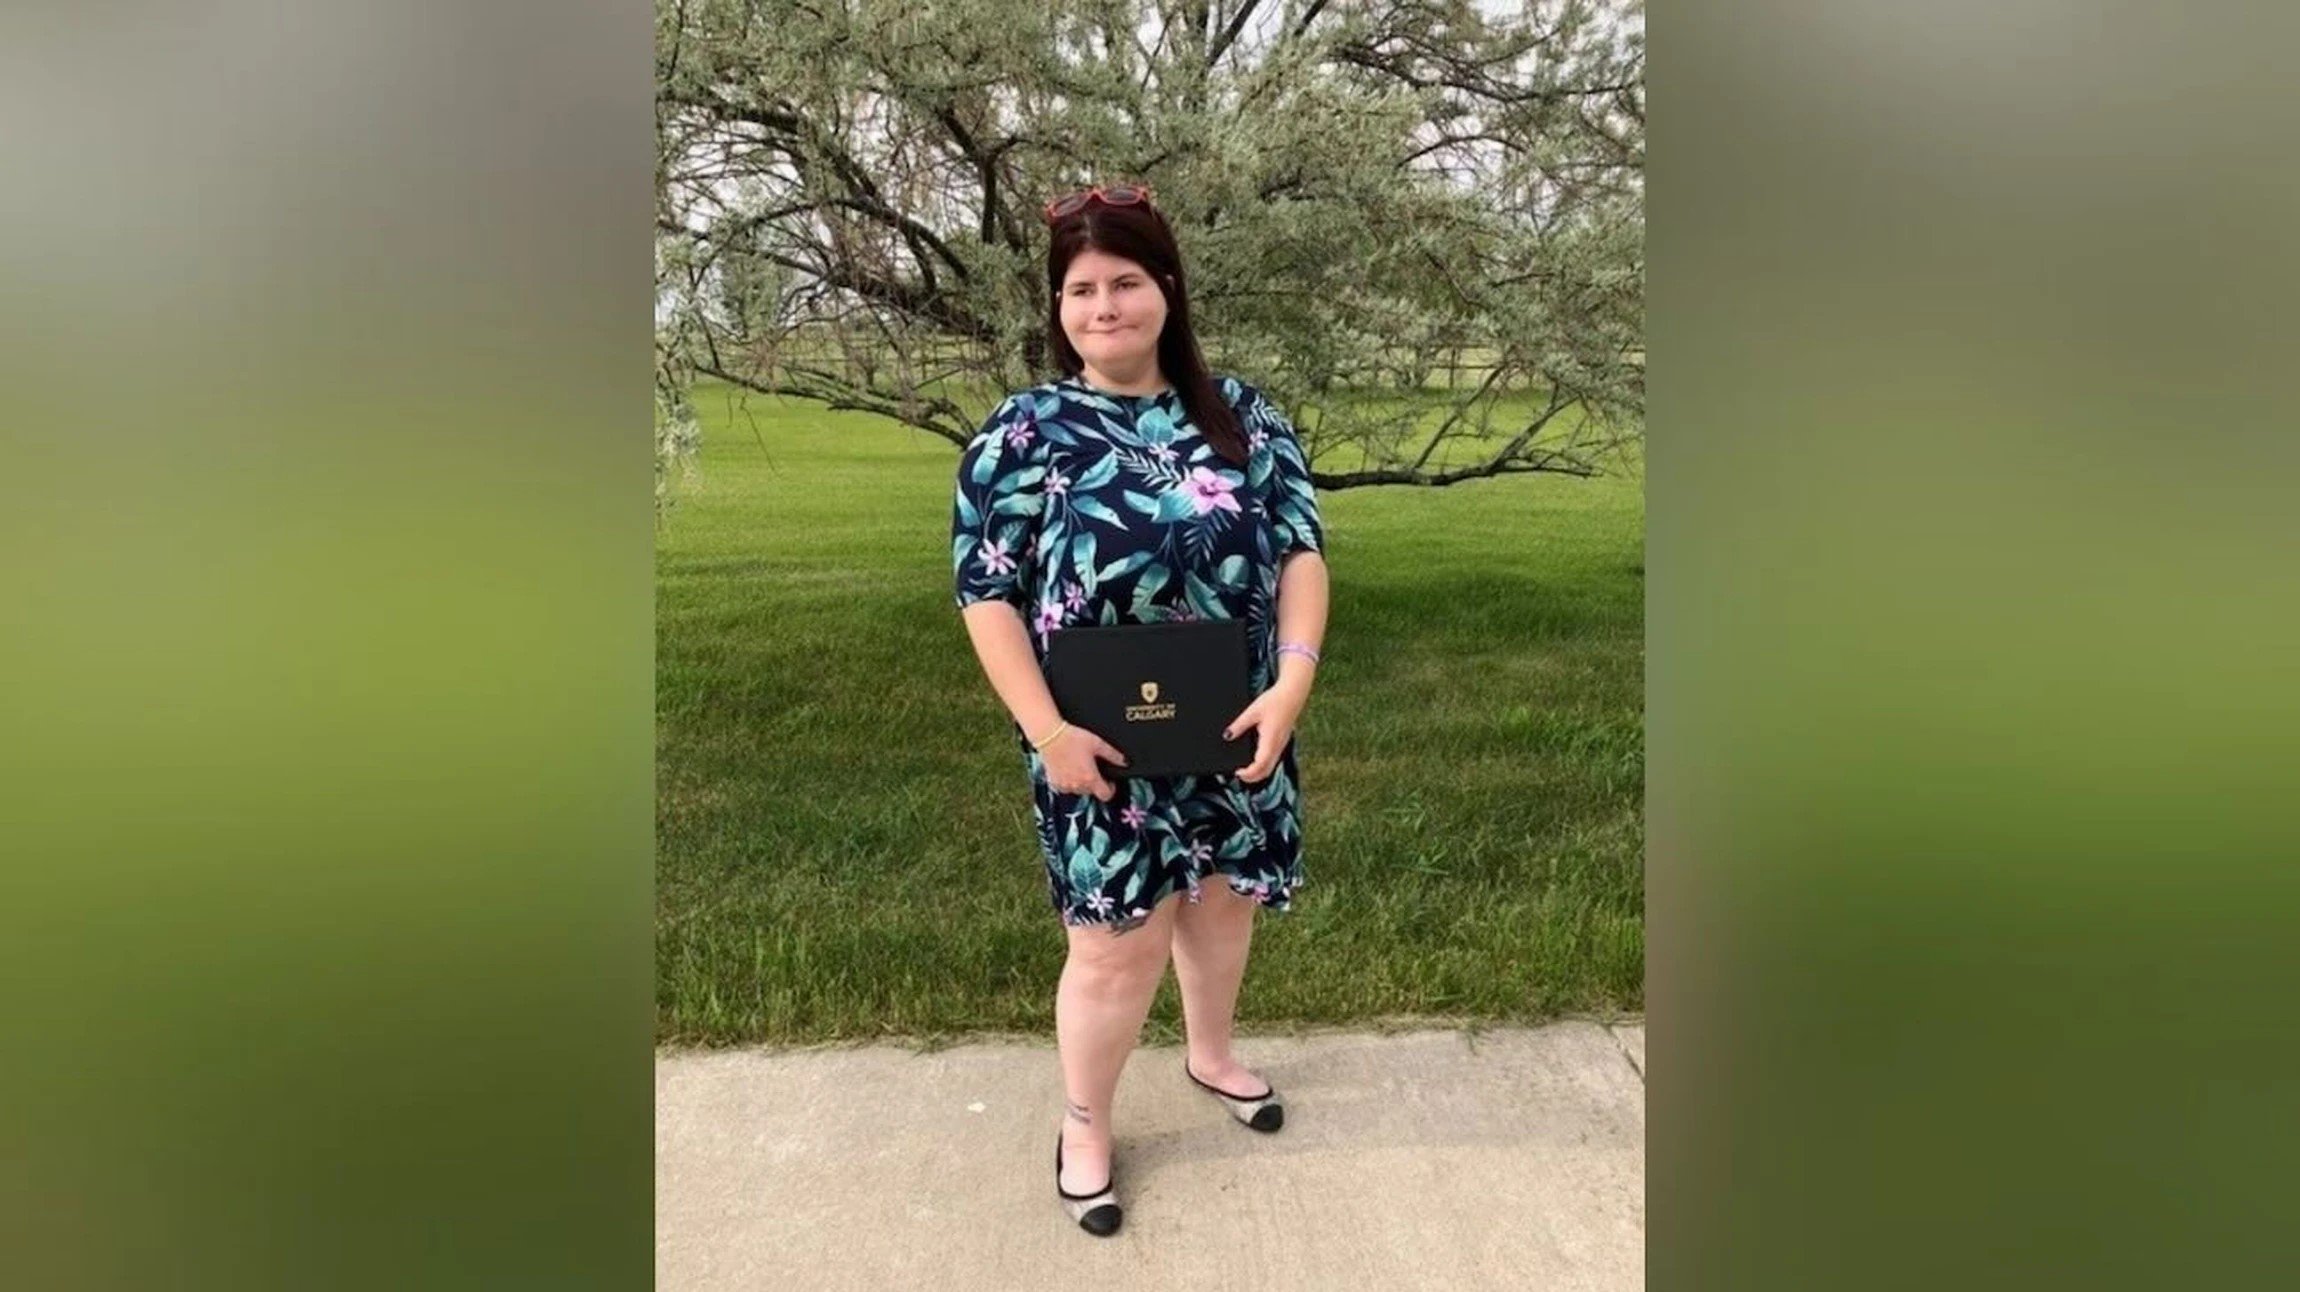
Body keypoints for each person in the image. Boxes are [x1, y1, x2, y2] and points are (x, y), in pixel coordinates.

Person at [949, 182, 1331, 1237]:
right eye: (1079, 288)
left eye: (1124, 281)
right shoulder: (1020, 432)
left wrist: (1290, 682)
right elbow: (985, 592)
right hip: (1092, 748)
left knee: (1219, 908)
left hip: (1236, 726)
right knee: (1113, 945)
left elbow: (1300, 552)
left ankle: (1209, 1054)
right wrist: (1047, 731)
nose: (1103, 306)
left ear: (1165, 286)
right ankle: (1084, 1122)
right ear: (1056, 305)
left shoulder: (1242, 415)